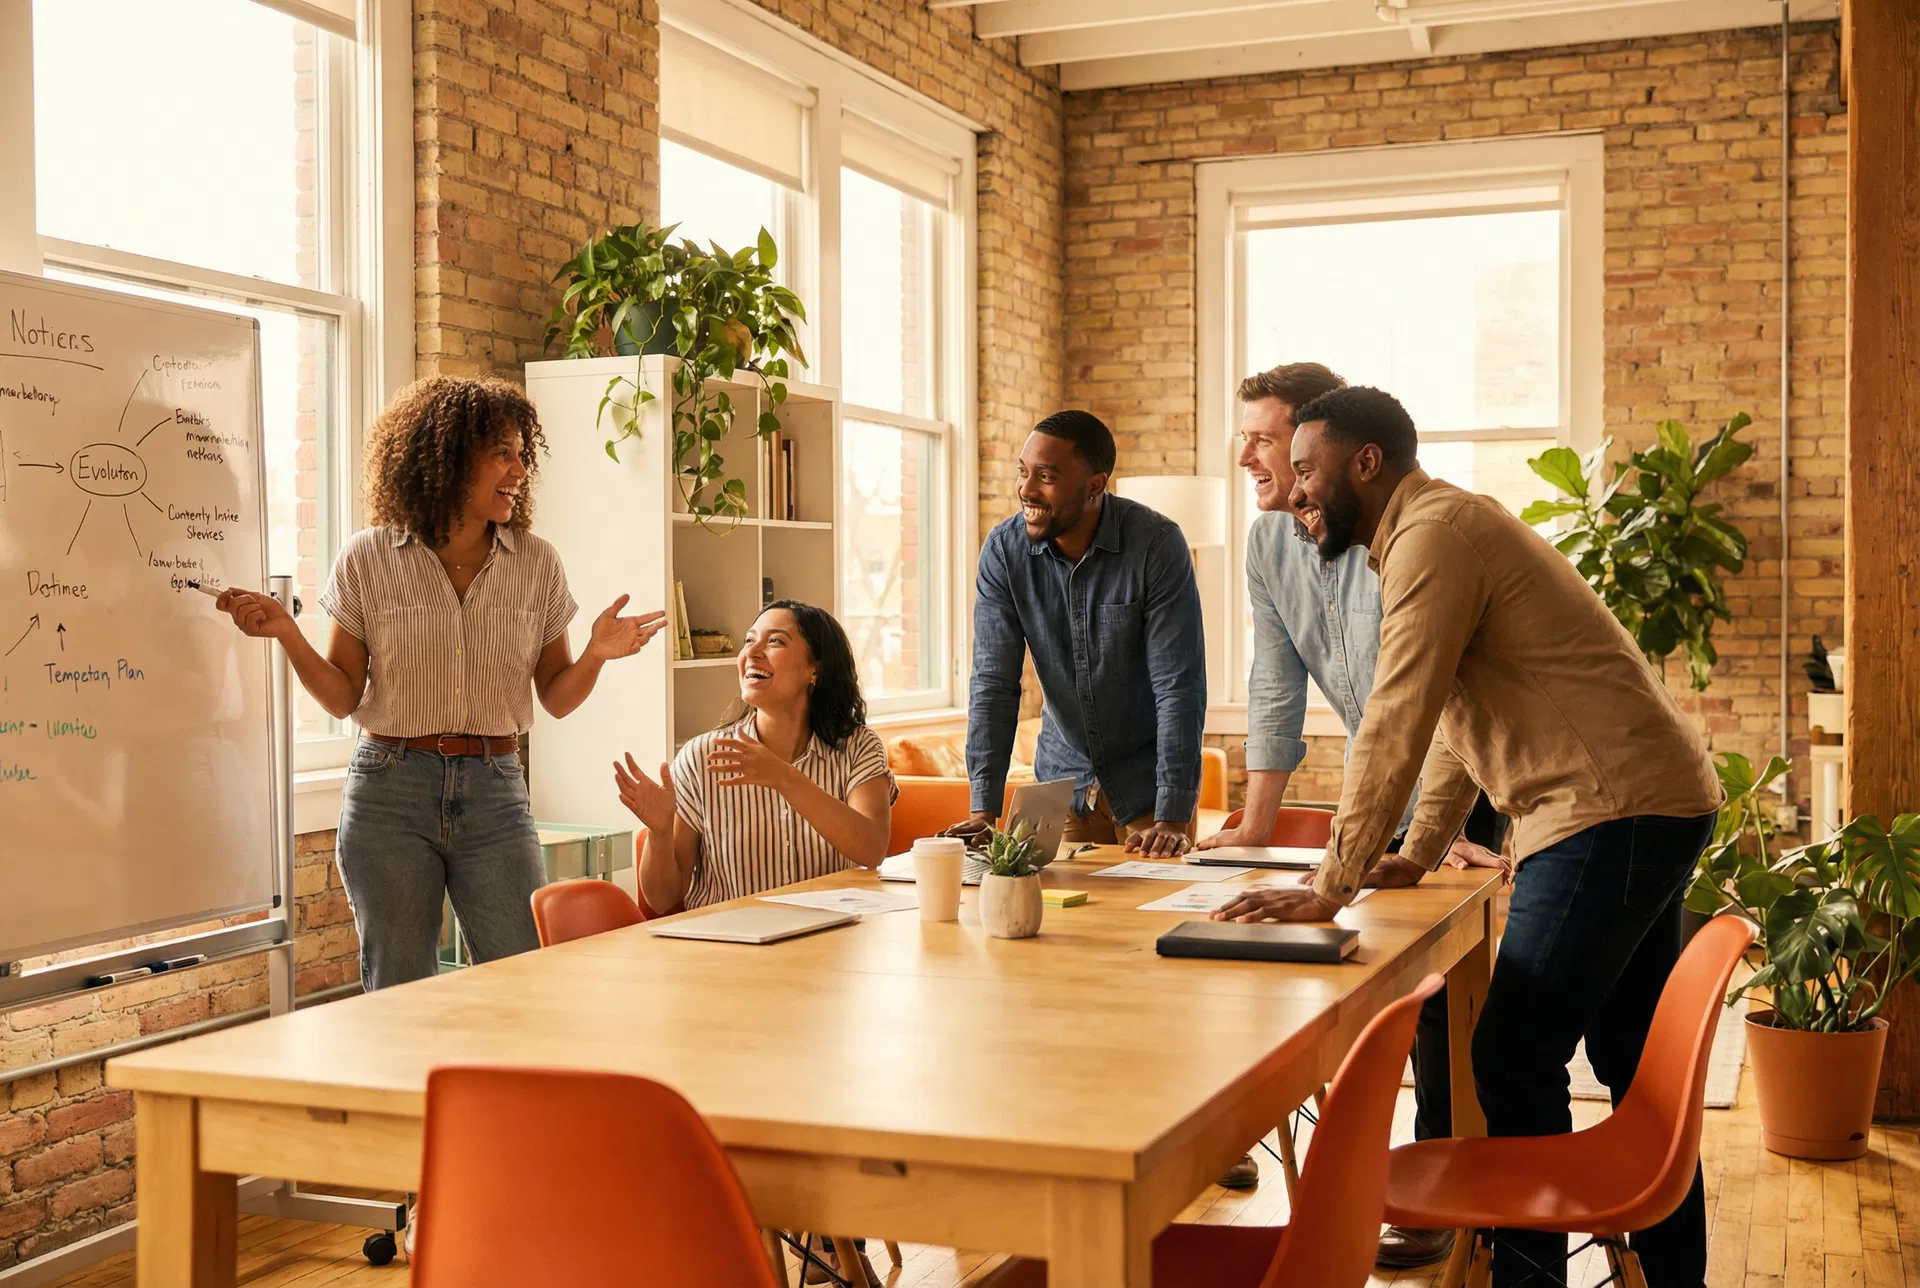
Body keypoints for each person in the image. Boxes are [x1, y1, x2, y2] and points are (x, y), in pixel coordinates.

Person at [1213, 387, 1721, 1288]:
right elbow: (1454, 716)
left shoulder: (1433, 537)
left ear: (1366, 463)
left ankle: (1528, 1281)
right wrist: (1416, 849)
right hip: (1647, 800)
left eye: (1307, 470)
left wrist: (1333, 882)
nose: (1295, 490)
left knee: (1512, 1054)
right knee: (1626, 1056)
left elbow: (1397, 716)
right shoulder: (1433, 530)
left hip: (1605, 810)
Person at [216, 375, 665, 992]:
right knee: (399, 989)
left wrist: (596, 654)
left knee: (522, 980)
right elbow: (343, 697)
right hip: (389, 790)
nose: (519, 471)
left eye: (521, 454)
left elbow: (557, 699)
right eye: (502, 454)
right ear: (450, 459)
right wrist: (289, 635)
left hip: (494, 788)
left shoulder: (536, 562)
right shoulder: (368, 557)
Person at [1195, 363, 1509, 1215]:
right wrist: (1255, 824)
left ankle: (1443, 1191)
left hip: (1458, 774)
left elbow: (1428, 702)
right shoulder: (1267, 546)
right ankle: (1364, 1176)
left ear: (1325, 449)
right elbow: (1274, 683)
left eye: (1266, 441)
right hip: (1386, 784)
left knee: (1443, 994)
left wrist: (1432, 836)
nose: (1248, 458)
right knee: (1368, 974)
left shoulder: (1405, 534)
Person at [948, 410, 1205, 858]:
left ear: (1094, 485)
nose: (1027, 489)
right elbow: (993, 683)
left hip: (1147, 790)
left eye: (1046, 476)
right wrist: (983, 811)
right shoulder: (1004, 551)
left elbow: (1178, 687)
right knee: (1054, 902)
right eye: (1023, 472)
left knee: (1152, 903)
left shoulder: (1156, 545)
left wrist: (1173, 815)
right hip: (1061, 786)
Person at [615, 600, 895, 915]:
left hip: (831, 936)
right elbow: (662, 899)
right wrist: (660, 832)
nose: (752, 652)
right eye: (749, 640)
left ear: (814, 669)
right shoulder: (701, 757)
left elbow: (872, 849)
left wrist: (785, 778)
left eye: (775, 641)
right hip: (730, 940)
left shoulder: (858, 747)